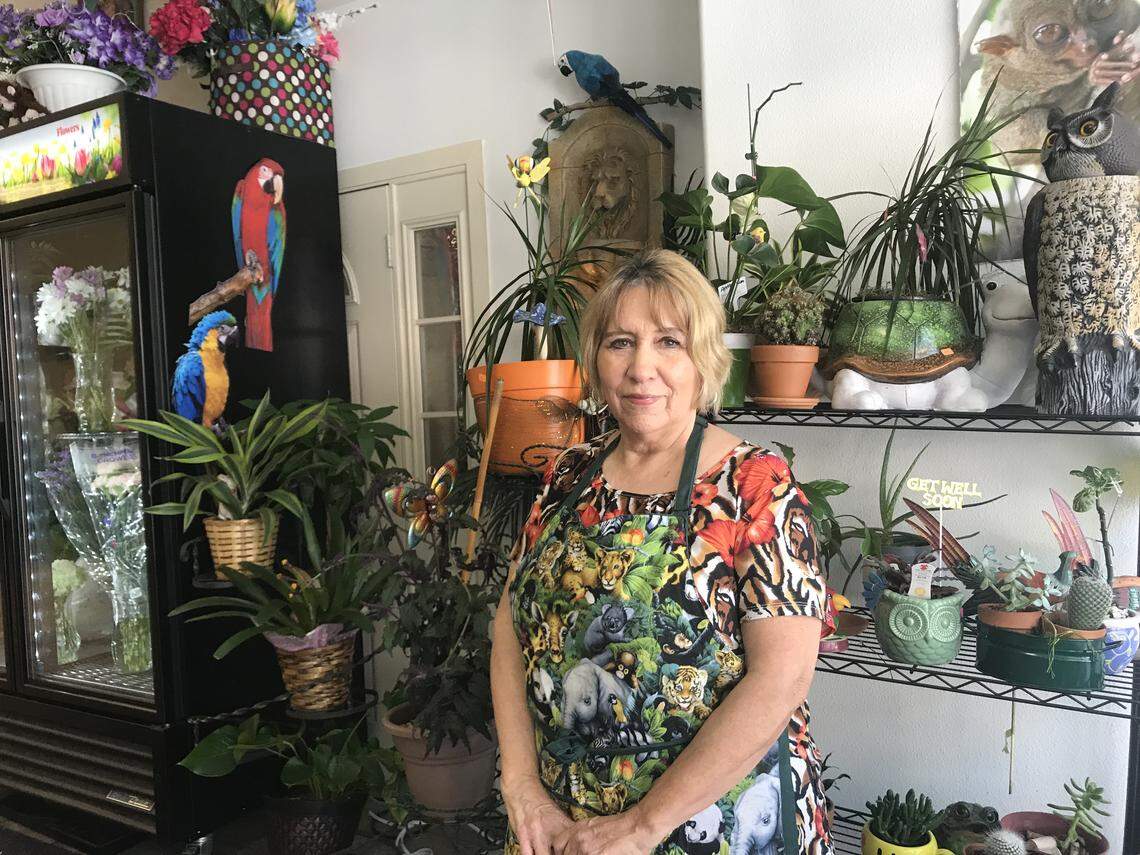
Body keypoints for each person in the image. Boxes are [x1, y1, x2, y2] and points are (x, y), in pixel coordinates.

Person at [491, 249, 833, 855]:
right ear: (596, 359)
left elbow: (782, 680)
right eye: (620, 343)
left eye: (669, 342)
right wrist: (520, 787)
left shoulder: (756, 486)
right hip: (561, 826)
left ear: (704, 360)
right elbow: (509, 626)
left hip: (715, 825)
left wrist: (642, 826)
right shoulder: (569, 475)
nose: (640, 368)